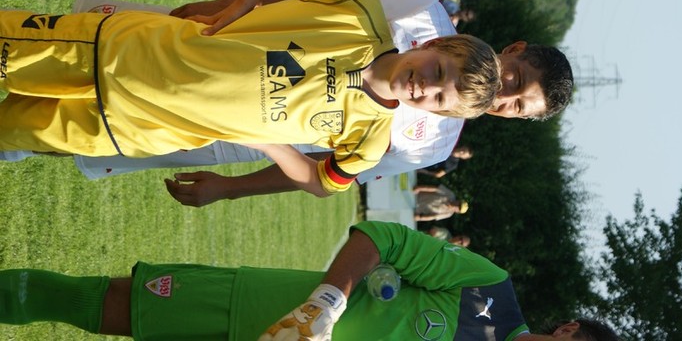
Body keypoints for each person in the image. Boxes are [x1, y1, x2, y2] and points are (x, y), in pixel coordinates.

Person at [0, 0, 501, 197]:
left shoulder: (370, 142)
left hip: (136, 128)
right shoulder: (358, 7)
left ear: (437, 113)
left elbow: (321, 183)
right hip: (120, 51)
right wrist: (245, 1)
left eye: (438, 98)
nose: (426, 86)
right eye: (438, 70)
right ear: (433, 43)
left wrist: (267, 141)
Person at [0, 221, 621, 340]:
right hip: (256, 309)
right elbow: (383, 239)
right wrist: (326, 304)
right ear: (568, 331)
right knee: (100, 305)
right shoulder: (489, 293)